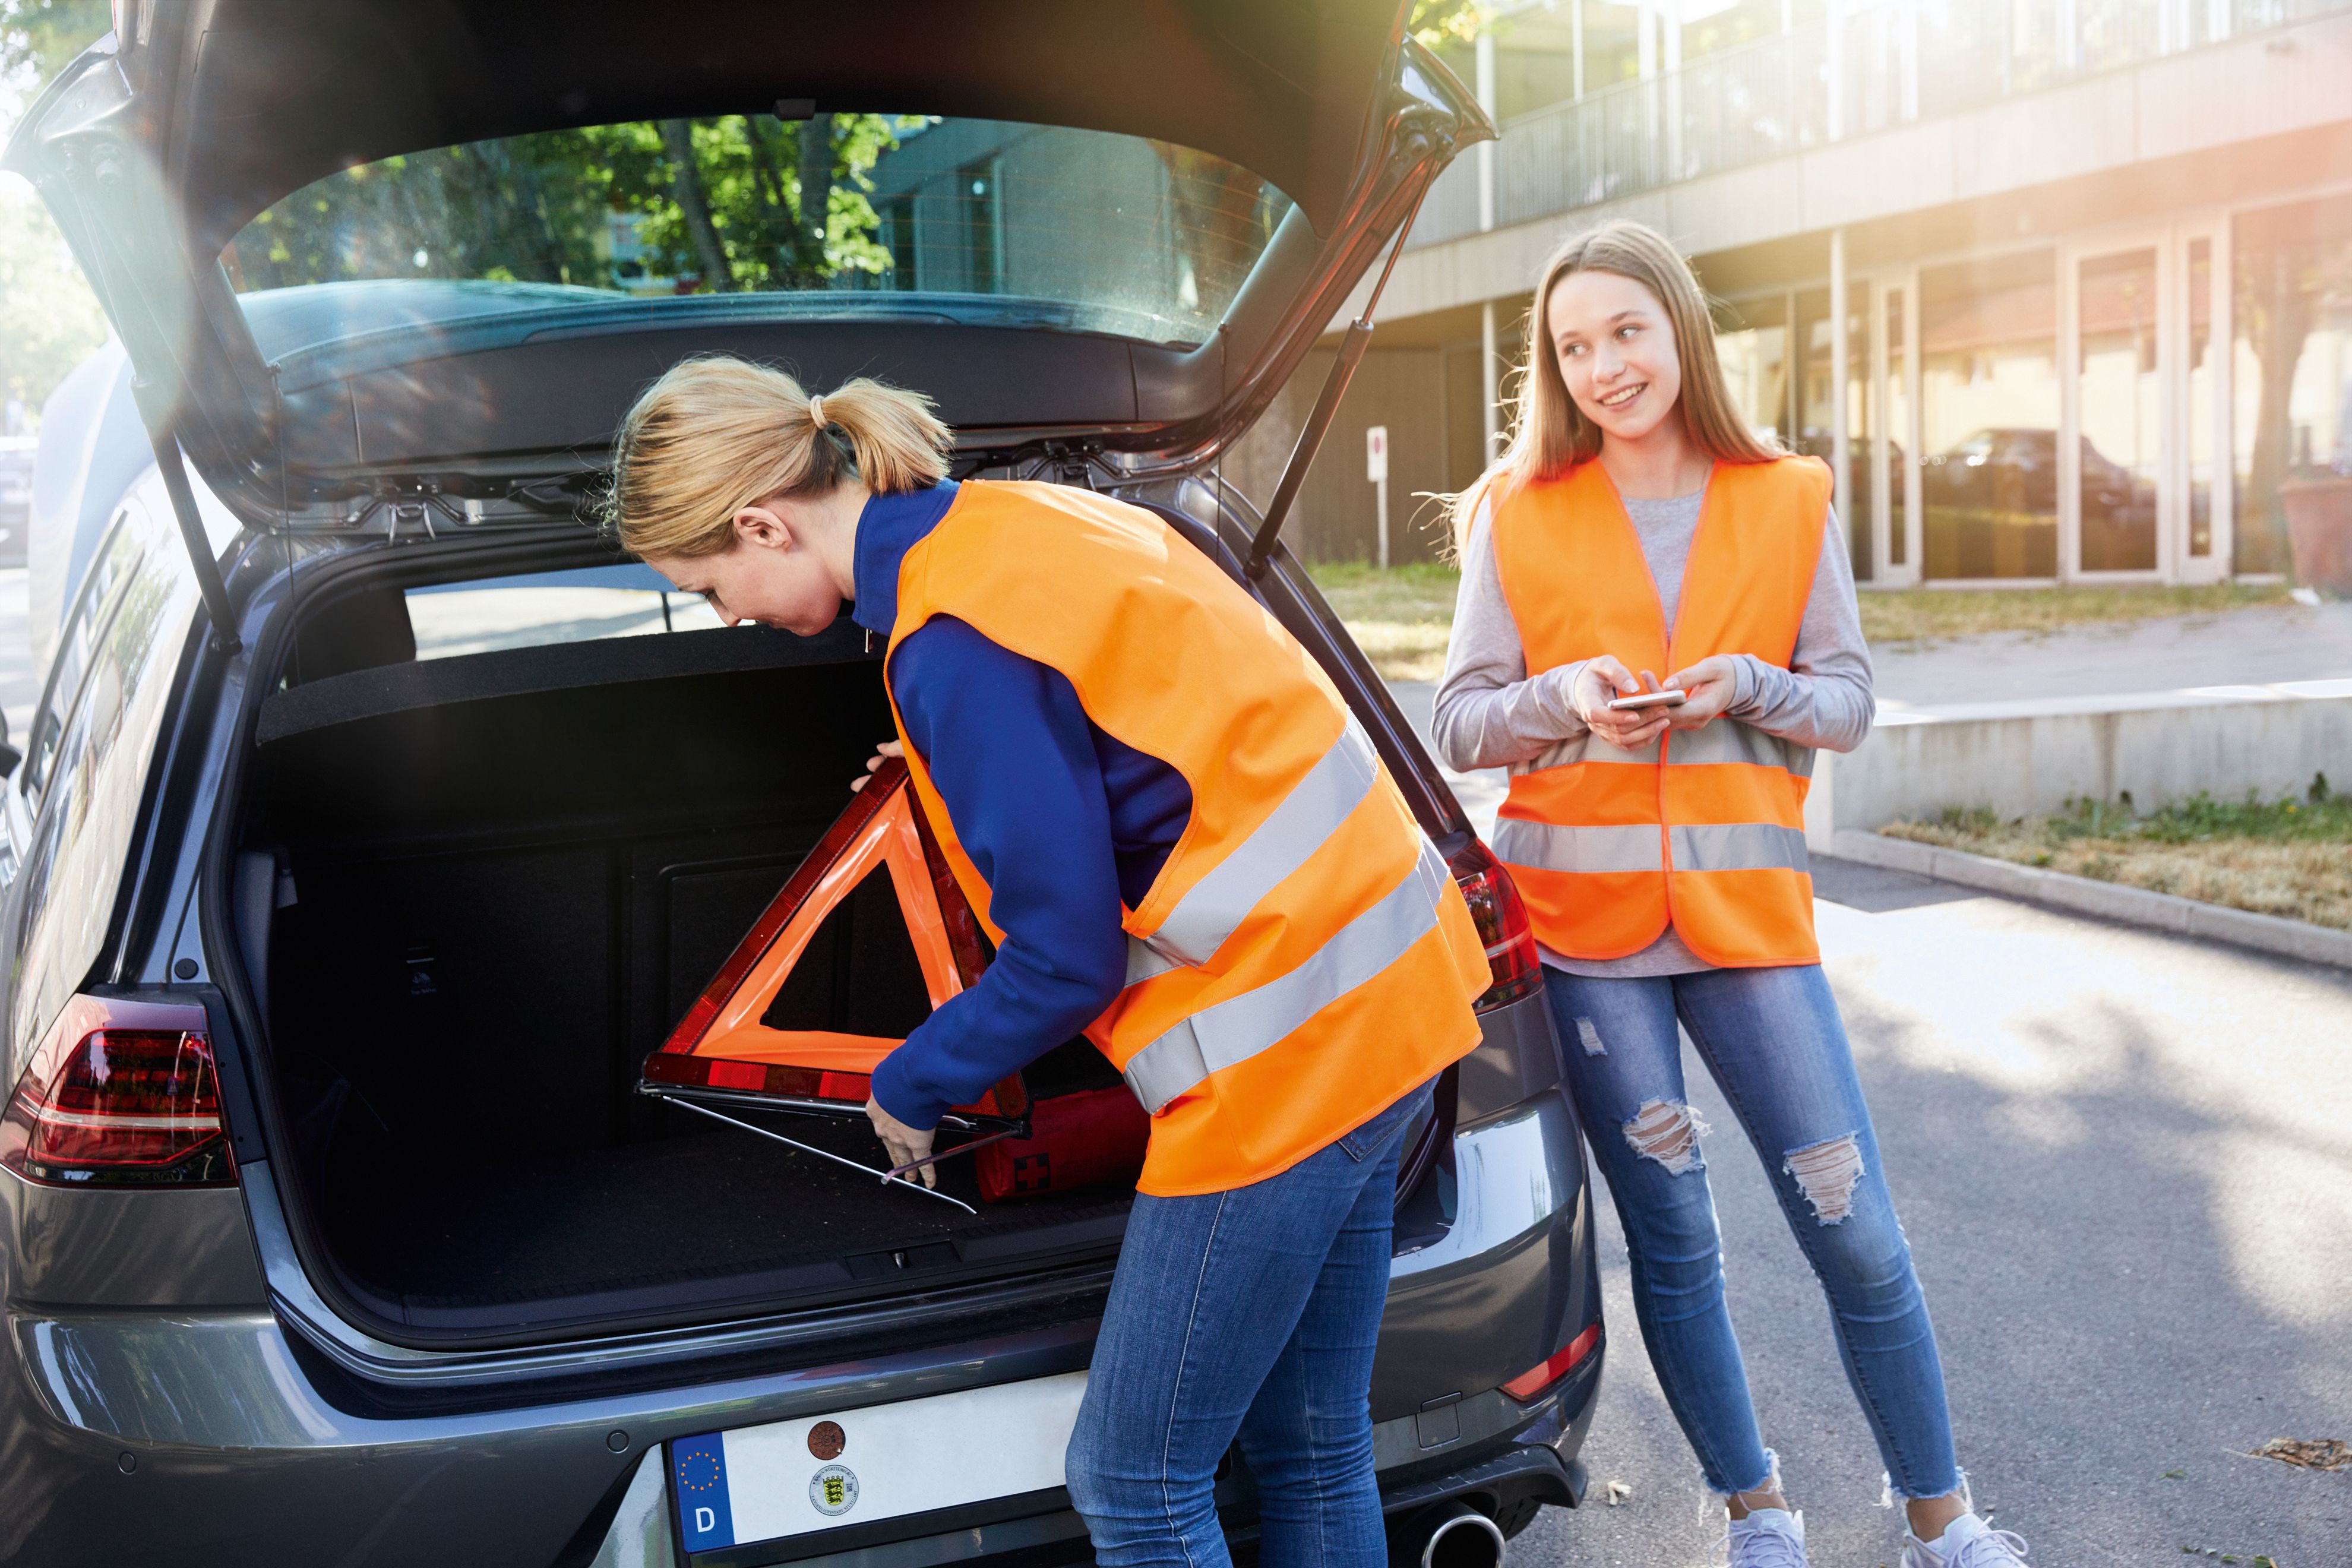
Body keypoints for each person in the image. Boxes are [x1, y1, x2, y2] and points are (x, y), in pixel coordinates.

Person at [605, 356, 1493, 1568]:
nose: (726, 614)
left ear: (763, 521)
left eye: (710, 584)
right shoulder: (1018, 523)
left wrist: (910, 1084)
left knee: (1134, 1482)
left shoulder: (946, 641)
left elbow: (1067, 962)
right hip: (1398, 996)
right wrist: (939, 771)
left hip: (1284, 1066)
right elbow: (1138, 734)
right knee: (1310, 1435)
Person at [1432, 222, 2032, 1568]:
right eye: (1573, 346)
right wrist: (1565, 697)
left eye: (1625, 333)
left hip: (1749, 928)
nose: (1602, 366)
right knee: (1678, 1239)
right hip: (1586, 946)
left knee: (1856, 1231)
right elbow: (1462, 723)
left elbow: (1851, 703)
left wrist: (1747, 687)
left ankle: (1944, 1518)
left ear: (1680, 333)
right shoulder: (1515, 512)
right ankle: (1755, 1509)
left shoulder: (1787, 495)